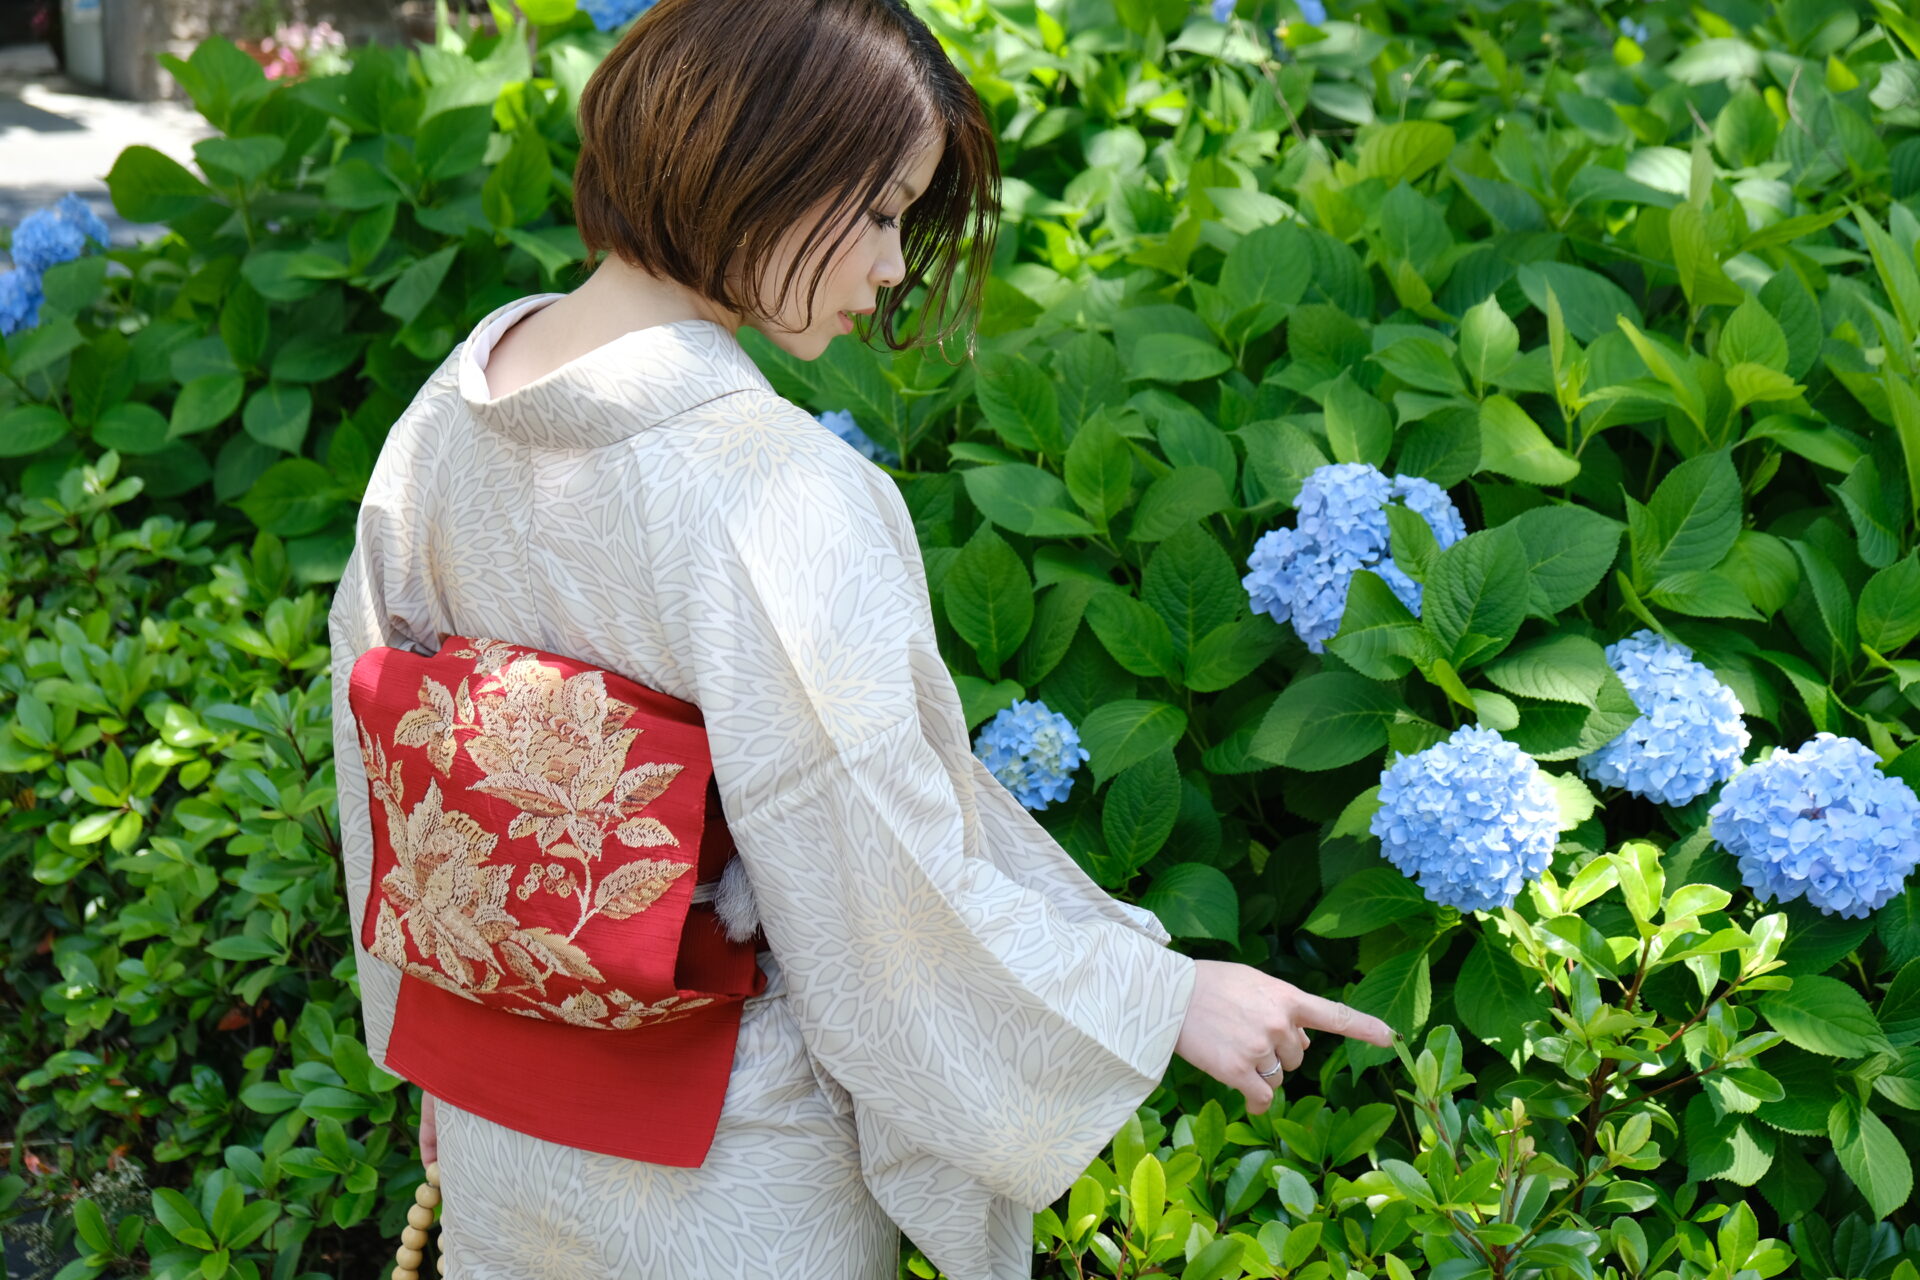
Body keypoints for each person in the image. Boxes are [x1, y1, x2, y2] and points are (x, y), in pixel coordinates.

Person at [326, 0, 1395, 1275]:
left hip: (507, 1132)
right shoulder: (769, 488)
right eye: (881, 212)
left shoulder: (445, 420)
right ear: (760, 161)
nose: (892, 268)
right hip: (722, 1175)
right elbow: (867, 858)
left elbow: (384, 787)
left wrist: (435, 1045)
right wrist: (1161, 995)